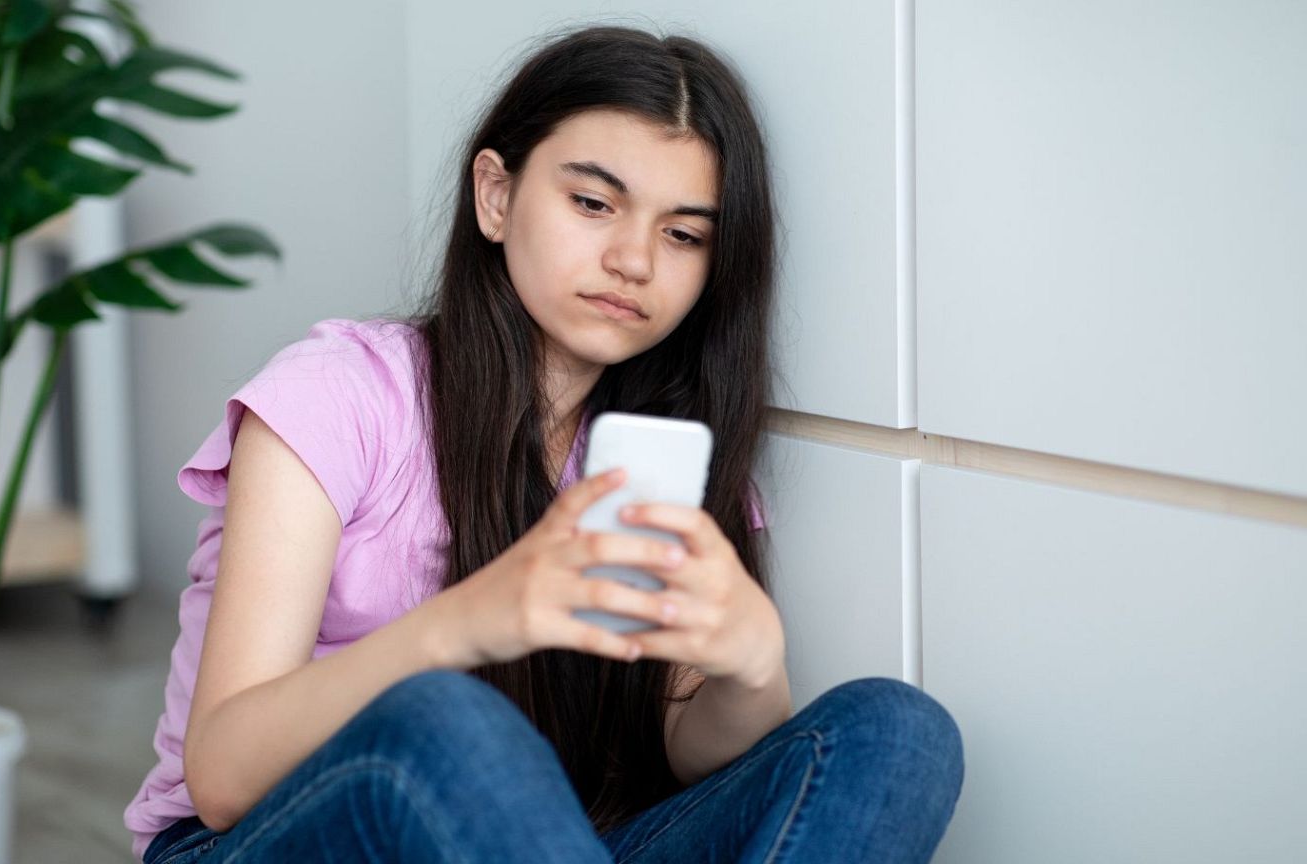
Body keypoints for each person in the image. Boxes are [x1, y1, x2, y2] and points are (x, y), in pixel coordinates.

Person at [125, 23, 964, 864]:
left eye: (684, 235)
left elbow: (682, 744)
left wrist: (753, 669)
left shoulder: (662, 450)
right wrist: (471, 622)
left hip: (553, 844)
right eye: (594, 203)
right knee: (446, 721)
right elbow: (224, 778)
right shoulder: (338, 394)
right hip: (254, 842)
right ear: (496, 196)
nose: (634, 259)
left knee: (895, 732)